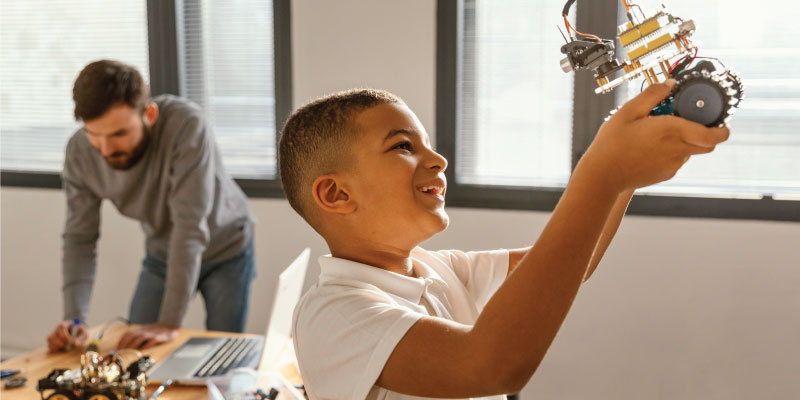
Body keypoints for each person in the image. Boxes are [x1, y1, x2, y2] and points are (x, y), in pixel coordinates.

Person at [278, 85, 729, 399]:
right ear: (336, 194)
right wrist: (602, 172)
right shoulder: (333, 314)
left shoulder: (440, 269)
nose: (437, 159)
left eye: (428, 145)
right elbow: (489, 366)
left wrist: (621, 180)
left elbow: (575, 261)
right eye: (402, 147)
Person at [46, 60, 256, 352]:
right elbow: (80, 239)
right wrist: (75, 321)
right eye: (94, 134)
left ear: (150, 114)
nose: (105, 150)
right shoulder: (80, 153)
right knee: (132, 350)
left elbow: (189, 227)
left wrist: (169, 324)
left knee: (221, 355)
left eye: (119, 134)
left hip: (227, 248)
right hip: (162, 253)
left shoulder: (186, 125)